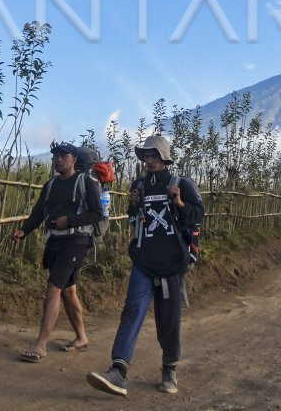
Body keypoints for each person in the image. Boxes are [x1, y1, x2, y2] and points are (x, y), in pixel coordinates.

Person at [87, 134, 204, 396]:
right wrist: (134, 203)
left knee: (168, 319)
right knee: (132, 310)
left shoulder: (181, 183)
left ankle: (169, 368)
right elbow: (134, 217)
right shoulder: (139, 183)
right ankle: (118, 371)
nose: (149, 160)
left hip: (172, 263)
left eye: (154, 156)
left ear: (164, 158)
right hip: (144, 259)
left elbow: (198, 216)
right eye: (146, 156)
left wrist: (180, 202)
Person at [11, 141, 102, 362]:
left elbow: (96, 213)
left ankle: (40, 345)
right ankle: (81, 337)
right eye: (56, 156)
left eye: (64, 155)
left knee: (54, 288)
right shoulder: (50, 185)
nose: (58, 159)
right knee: (69, 290)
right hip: (55, 242)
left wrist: (69, 220)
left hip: (77, 241)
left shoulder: (85, 183)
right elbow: (38, 213)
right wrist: (24, 230)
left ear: (74, 159)